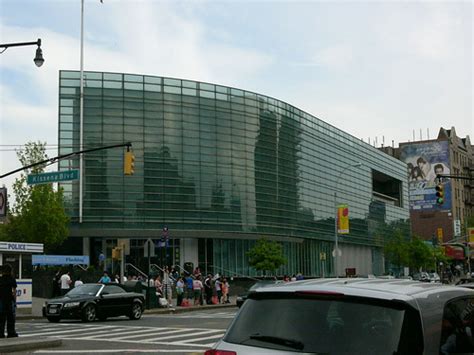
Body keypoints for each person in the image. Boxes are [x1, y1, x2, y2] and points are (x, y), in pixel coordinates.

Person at [0, 264, 18, 338]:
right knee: (11, 318)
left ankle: (0, 333)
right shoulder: (12, 279)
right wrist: (15, 301)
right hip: (9, 301)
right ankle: (11, 333)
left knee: (1, 318)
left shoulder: (0, 279)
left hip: (1, 301)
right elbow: (14, 292)